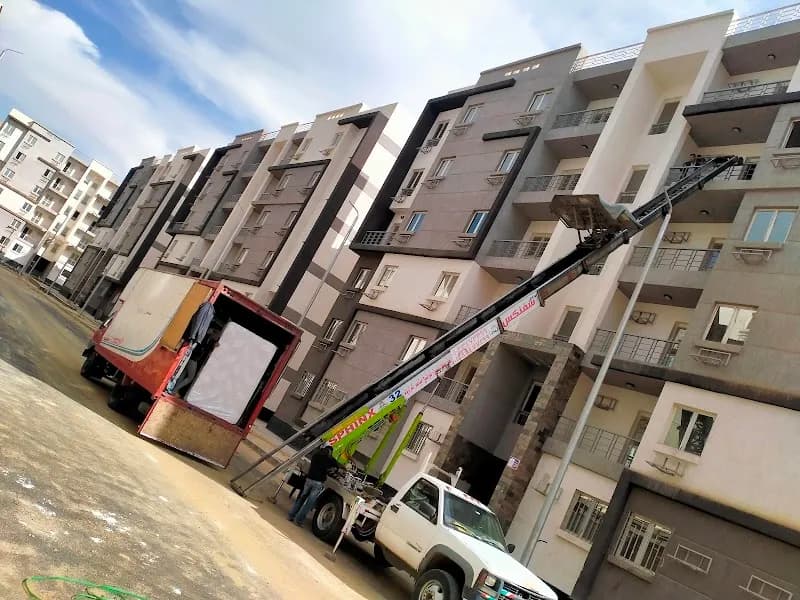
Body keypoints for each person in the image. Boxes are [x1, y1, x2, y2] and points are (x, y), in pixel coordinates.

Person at [288, 443, 340, 527]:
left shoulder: (315, 455)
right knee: (309, 504)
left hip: (309, 480)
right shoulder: (329, 459)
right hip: (317, 483)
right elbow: (336, 467)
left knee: (301, 499)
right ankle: (299, 520)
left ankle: (291, 515)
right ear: (330, 451)